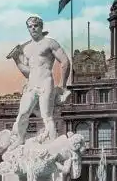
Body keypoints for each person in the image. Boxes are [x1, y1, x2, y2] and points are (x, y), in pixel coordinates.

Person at [7, 15, 71, 150]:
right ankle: (19, 138)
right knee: (23, 113)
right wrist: (17, 60)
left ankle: (54, 146)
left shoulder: (50, 43)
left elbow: (65, 62)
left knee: (46, 116)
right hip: (31, 84)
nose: (33, 28)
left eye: (35, 25)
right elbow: (27, 72)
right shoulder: (26, 49)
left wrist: (63, 86)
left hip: (46, 82)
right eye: (30, 26)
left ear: (41, 27)